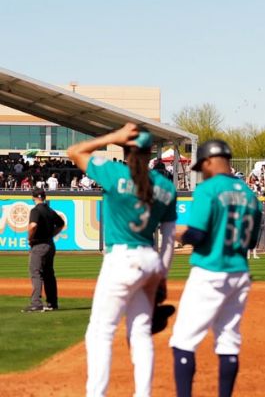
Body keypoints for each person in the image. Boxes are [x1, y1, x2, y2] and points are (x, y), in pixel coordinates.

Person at [67, 123, 177, 397]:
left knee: (100, 332)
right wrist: (162, 274)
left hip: (122, 259)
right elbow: (169, 237)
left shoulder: (114, 172)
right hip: (150, 261)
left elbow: (74, 151)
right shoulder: (165, 186)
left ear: (125, 148)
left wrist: (113, 137)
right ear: (151, 150)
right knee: (140, 332)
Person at [170, 139, 262, 397]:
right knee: (229, 342)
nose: (203, 170)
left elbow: (197, 236)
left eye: (203, 165)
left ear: (211, 161)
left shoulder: (208, 189)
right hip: (239, 273)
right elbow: (252, 241)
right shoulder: (249, 194)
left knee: (183, 341)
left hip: (210, 271)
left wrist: (177, 234)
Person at [22, 187, 65, 312]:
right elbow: (61, 223)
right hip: (50, 245)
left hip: (39, 245)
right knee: (49, 274)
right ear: (44, 197)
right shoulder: (49, 210)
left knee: (36, 273)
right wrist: (52, 234)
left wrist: (30, 238)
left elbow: (33, 226)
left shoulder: (35, 210)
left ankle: (36, 303)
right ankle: (52, 303)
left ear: (33, 197)